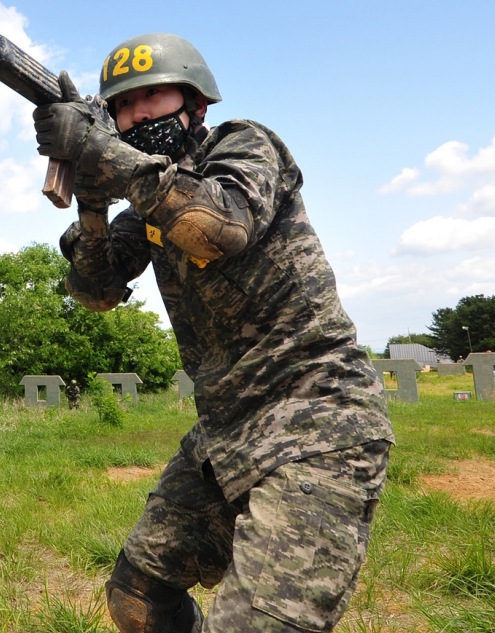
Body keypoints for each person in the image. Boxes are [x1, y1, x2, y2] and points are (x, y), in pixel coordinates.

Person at [34, 33, 394, 633]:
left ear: (196, 104)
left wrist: (104, 150)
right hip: (225, 428)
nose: (137, 113)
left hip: (318, 417)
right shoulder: (143, 205)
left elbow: (218, 227)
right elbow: (95, 292)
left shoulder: (245, 145)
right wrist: (91, 197)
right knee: (136, 598)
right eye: (123, 106)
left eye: (153, 95)